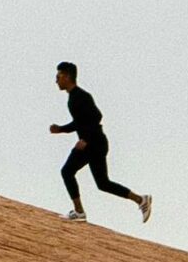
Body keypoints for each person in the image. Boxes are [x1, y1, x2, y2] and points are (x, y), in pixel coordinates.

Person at [50, 62, 153, 224]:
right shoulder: (73, 98)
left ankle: (79, 212)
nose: (56, 80)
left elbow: (97, 116)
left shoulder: (80, 96)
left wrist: (85, 139)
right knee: (103, 183)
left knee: (67, 171)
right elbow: (79, 123)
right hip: (96, 143)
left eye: (58, 76)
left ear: (67, 76)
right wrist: (61, 129)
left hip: (93, 143)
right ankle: (141, 199)